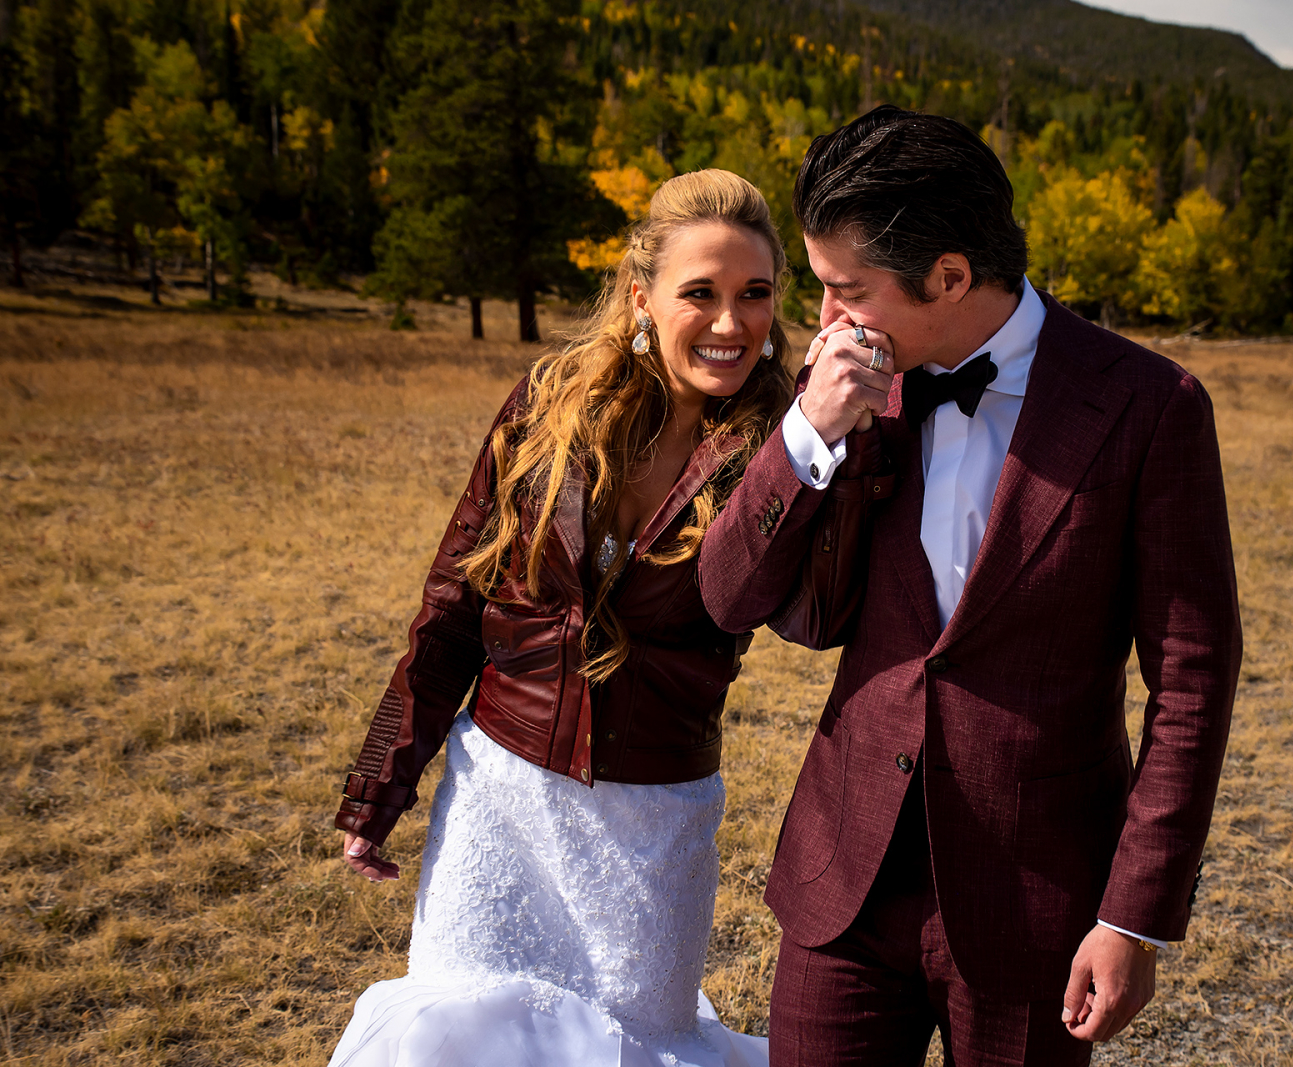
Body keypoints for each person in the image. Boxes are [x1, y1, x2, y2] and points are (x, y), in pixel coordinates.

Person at [698, 106, 1243, 1065]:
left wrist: (1136, 915)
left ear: (950, 275)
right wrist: (806, 436)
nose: (822, 321)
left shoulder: (1152, 408)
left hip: (1036, 900)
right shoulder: (848, 382)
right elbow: (728, 594)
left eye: (846, 290)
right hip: (844, 877)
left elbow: (1192, 683)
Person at [326, 169, 797, 1067]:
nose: (731, 324)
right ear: (641, 297)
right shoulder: (547, 405)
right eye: (700, 293)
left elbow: (814, 607)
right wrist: (378, 785)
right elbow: (451, 606)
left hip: (652, 828)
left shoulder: (783, 445)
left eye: (756, 294)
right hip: (500, 801)